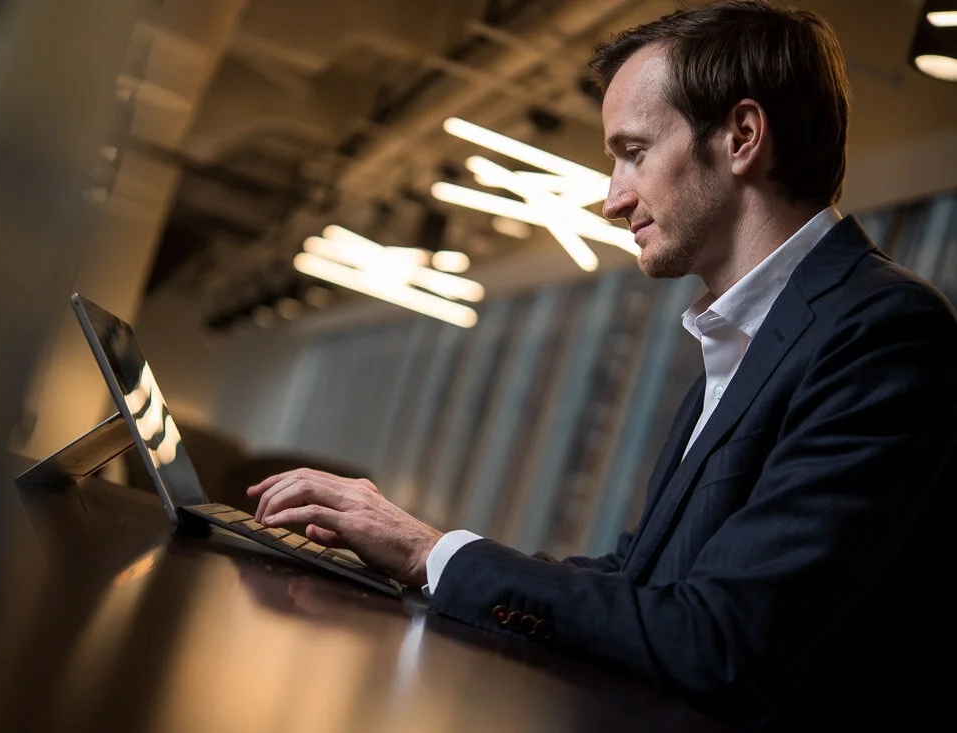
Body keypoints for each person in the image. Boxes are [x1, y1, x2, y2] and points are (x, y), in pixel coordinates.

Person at [248, 2, 957, 730]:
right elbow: (638, 578)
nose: (613, 199)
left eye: (634, 152)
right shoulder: (750, 335)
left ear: (742, 137)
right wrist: (420, 553)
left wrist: (433, 554)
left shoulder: (883, 329)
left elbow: (719, 640)